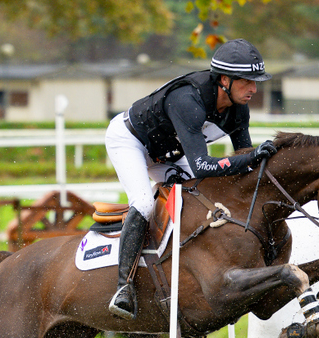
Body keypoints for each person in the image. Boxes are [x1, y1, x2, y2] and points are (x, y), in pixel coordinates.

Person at [104, 38, 278, 319]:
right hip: (131, 142)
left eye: (255, 81)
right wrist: (252, 156)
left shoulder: (238, 109)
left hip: (170, 154)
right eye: (247, 81)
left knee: (200, 198)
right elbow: (201, 165)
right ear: (225, 80)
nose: (254, 89)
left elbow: (245, 160)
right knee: (144, 203)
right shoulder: (188, 100)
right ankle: (123, 288)